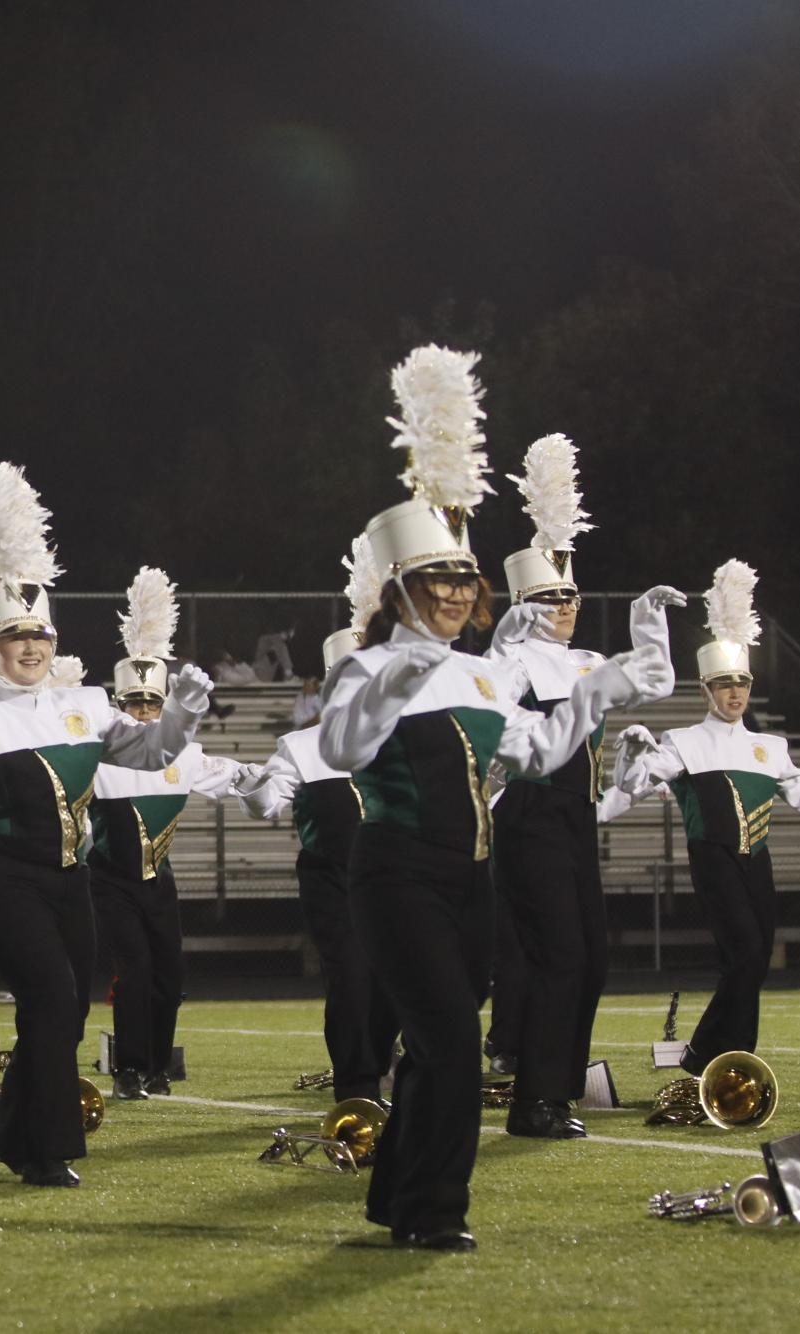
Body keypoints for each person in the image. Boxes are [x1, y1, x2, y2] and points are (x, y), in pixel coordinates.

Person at [318, 345, 665, 1250]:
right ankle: (435, 1212)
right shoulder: (364, 664)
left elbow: (539, 753)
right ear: (398, 590)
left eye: (460, 582)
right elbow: (340, 748)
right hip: (393, 874)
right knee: (445, 1044)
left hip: (468, 879)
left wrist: (600, 688)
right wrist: (392, 685)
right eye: (435, 582)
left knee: (440, 1042)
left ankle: (394, 1189)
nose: (450, 595)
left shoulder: (479, 678)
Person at [0, 461, 209, 1188]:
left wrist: (186, 709)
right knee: (48, 997)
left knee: (66, 1019)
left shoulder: (86, 703)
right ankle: (44, 1150)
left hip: (71, 880)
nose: (31, 649)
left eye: (39, 636)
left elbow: (149, 750)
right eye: (15, 640)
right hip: (2, 878)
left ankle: (12, 1134)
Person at [485, 434, 681, 1139]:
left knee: (589, 958)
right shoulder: (506, 661)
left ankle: (556, 1091)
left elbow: (653, 681)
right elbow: (494, 720)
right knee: (556, 955)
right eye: (548, 596)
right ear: (520, 602)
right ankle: (532, 1101)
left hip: (572, 818)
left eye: (569, 593)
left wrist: (646, 621)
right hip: (529, 814)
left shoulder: (584, 661)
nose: (564, 605)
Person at [600, 560, 799, 1073]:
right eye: (724, 685)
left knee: (748, 962)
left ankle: (733, 1058)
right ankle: (702, 1053)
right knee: (749, 953)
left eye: (743, 684)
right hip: (711, 857)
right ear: (706, 690)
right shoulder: (684, 742)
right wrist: (628, 755)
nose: (735, 694)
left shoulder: (771, 747)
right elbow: (632, 787)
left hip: (757, 861)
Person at [236, 540, 397, 1104]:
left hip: (399, 882)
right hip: (334, 882)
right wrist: (254, 789)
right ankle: (357, 1087)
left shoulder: (404, 736)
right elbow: (266, 803)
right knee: (351, 980)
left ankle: (381, 1065)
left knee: (394, 988)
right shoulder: (303, 745)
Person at [92, 568, 256, 1100]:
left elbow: (233, 776)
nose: (143, 712)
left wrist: (281, 778)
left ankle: (159, 1065)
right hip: (109, 882)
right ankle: (130, 1069)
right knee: (134, 971)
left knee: (169, 976)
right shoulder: (99, 755)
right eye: (133, 703)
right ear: (119, 705)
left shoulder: (182, 755)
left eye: (151, 703)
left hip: (158, 883)